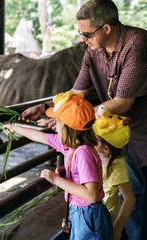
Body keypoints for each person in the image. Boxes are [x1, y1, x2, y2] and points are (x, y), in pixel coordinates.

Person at [20, 1, 147, 239]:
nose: (83, 39)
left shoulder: (137, 43)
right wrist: (48, 107)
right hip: (110, 130)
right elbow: (77, 92)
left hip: (139, 131)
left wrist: (71, 116)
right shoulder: (93, 50)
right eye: (81, 33)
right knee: (120, 192)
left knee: (137, 196)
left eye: (87, 34)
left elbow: (122, 102)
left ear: (107, 29)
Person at [4, 92, 113, 239]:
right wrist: (14, 128)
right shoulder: (68, 146)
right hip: (79, 211)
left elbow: (91, 195)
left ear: (68, 128)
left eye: (58, 123)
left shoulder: (83, 153)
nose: (54, 126)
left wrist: (56, 180)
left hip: (88, 214)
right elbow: (38, 136)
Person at [93, 105, 135, 240]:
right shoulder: (98, 157)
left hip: (107, 223)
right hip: (95, 218)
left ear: (105, 149)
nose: (90, 141)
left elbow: (130, 199)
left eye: (95, 140)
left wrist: (118, 227)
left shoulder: (116, 167)